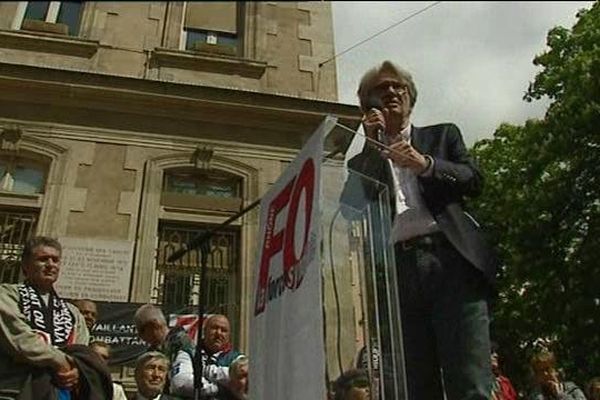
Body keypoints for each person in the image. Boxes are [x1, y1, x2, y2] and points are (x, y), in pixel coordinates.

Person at [341, 61, 497, 399]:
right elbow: (349, 209)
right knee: (414, 385)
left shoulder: (442, 136)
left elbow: (474, 179)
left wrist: (425, 164)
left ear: (411, 98)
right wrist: (371, 147)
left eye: (399, 87)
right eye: (382, 89)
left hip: (451, 263)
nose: (393, 92)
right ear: (369, 106)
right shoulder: (362, 162)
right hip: (397, 275)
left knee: (469, 381)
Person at [0, 236, 90, 399]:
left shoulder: (72, 313)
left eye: (55, 260)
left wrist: (77, 370)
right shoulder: (7, 295)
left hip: (60, 391)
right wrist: (60, 360)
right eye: (42, 259)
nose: (50, 265)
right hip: (15, 390)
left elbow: (82, 351)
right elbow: (21, 339)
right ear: (25, 266)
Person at [169, 314, 244, 399]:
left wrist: (207, 371)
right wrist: (216, 389)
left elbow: (241, 380)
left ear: (229, 335)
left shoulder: (237, 358)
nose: (218, 333)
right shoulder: (188, 353)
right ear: (204, 331)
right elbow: (180, 383)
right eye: (214, 328)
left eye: (224, 330)